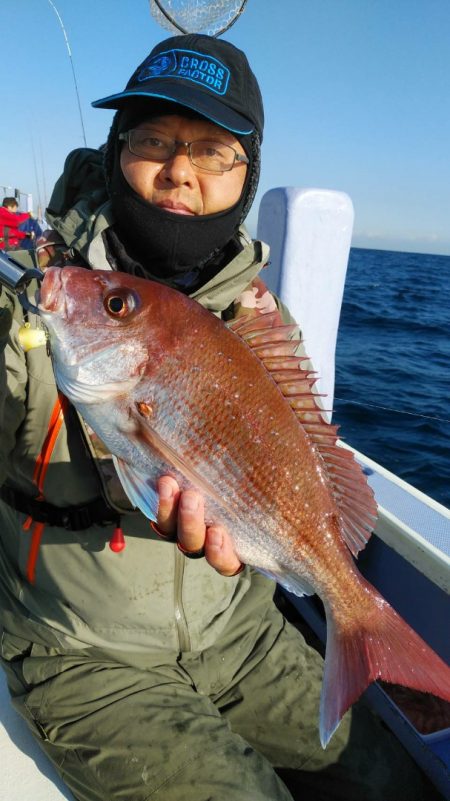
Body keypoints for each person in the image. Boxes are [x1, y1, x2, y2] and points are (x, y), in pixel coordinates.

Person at [0, 34, 442, 801]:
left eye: (213, 150)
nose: (179, 169)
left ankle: (360, 631)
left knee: (394, 787)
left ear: (247, 177)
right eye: (153, 139)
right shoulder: (31, 310)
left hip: (245, 636)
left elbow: (300, 458)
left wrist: (331, 580)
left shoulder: (263, 322)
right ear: (116, 152)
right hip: (86, 659)